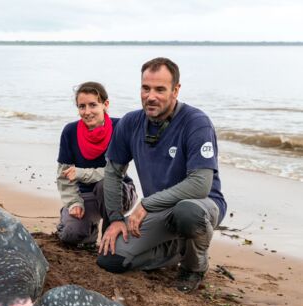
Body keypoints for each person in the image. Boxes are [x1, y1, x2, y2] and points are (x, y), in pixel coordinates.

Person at [97, 57, 226, 293]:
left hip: (200, 206)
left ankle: (194, 267)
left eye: (160, 89)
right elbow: (113, 173)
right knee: (110, 260)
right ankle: (178, 248)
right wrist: (115, 218)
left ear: (175, 90)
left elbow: (200, 184)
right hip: (160, 211)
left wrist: (146, 203)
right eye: (145, 88)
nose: (151, 96)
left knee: (187, 213)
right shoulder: (130, 123)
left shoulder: (197, 123)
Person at [56, 81, 137, 250]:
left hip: (119, 192)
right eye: (82, 106)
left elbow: (115, 174)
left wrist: (81, 173)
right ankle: (87, 230)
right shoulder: (70, 132)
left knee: (104, 185)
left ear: (105, 104)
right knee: (71, 235)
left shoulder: (120, 128)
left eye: (93, 105)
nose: (87, 112)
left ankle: (112, 231)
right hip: (85, 195)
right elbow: (64, 176)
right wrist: (73, 202)